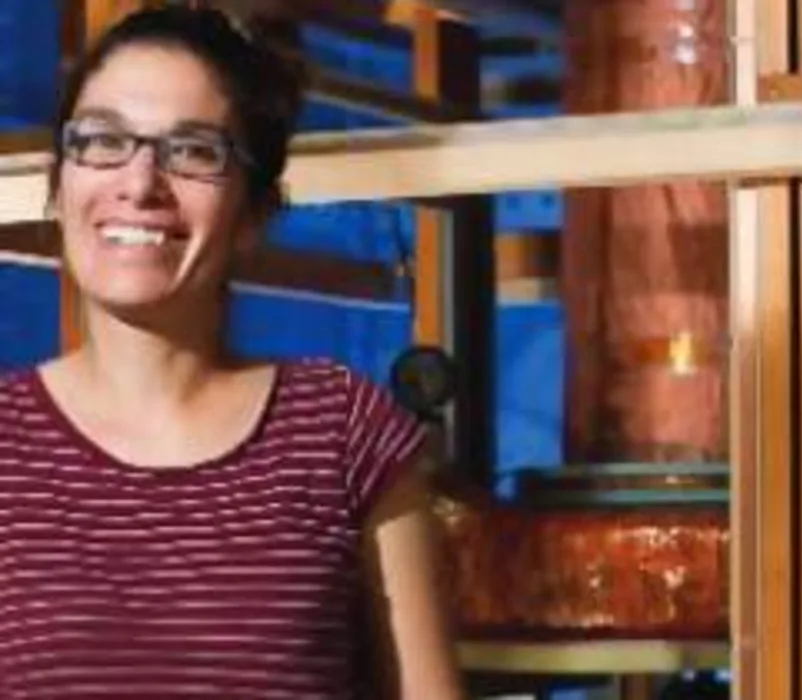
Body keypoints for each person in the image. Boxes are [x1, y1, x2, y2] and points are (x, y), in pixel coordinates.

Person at [0, 6, 464, 699]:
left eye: (192, 151)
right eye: (101, 141)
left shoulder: (342, 434)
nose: (139, 183)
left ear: (255, 213)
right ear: (59, 187)